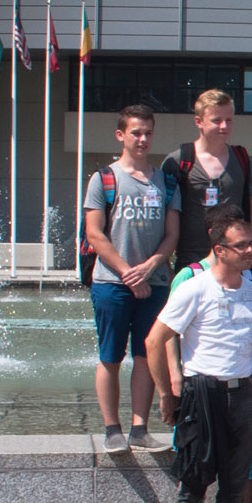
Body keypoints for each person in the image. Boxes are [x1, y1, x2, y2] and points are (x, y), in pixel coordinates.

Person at [145, 210, 252, 503]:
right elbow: (155, 340)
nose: (250, 251)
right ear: (219, 250)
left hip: (238, 396)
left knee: (234, 487)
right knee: (195, 485)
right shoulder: (195, 288)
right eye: (242, 245)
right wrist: (168, 394)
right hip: (201, 394)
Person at [84, 104, 180, 453]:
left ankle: (140, 429)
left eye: (148, 133)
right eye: (136, 132)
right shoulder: (104, 178)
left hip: (153, 283)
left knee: (144, 355)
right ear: (120, 135)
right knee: (110, 356)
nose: (142, 139)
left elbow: (172, 235)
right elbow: (95, 234)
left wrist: (151, 266)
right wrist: (127, 273)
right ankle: (112, 428)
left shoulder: (165, 181)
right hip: (112, 282)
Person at [163, 89, 252, 272]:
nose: (224, 126)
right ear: (199, 121)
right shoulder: (178, 161)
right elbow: (165, 218)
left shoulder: (242, 160)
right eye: (217, 121)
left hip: (235, 265)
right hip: (192, 262)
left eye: (228, 120)